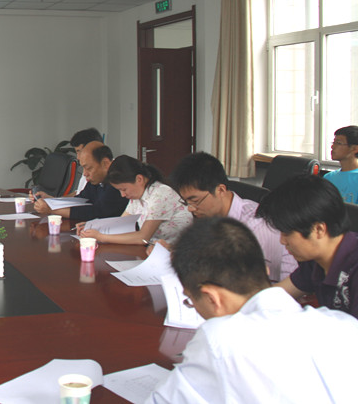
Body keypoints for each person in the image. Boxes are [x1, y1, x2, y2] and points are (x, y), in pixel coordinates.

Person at [148, 216, 358, 403]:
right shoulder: (344, 325)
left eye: (190, 301)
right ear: (265, 271)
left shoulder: (220, 339)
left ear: (212, 297)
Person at [169, 151, 296, 282]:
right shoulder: (209, 219)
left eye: (195, 201)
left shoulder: (256, 226)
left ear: (220, 190)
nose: (190, 208)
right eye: (186, 202)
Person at [256, 174, 358, 318]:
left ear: (319, 229)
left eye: (287, 233)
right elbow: (272, 296)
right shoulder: (315, 261)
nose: (282, 241)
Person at [80, 155, 192, 244]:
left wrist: (100, 237)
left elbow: (143, 237)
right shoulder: (138, 196)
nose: (122, 195)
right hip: (154, 248)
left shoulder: (160, 194)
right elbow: (120, 224)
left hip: (176, 252)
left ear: (139, 179)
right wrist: (93, 226)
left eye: (124, 189)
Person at [34, 143, 127, 222]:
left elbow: (98, 212)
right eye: (83, 168)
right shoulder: (97, 180)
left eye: (88, 168)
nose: (85, 173)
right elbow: (81, 200)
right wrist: (51, 201)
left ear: (105, 163)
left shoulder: (118, 181)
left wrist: (51, 210)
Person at [33, 127, 103, 199]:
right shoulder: (87, 169)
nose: (78, 157)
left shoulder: (102, 174)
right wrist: (51, 199)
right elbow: (79, 193)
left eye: (79, 151)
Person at [323, 125, 358, 203]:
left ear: (355, 149)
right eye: (333, 142)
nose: (332, 146)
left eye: (338, 143)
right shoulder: (328, 177)